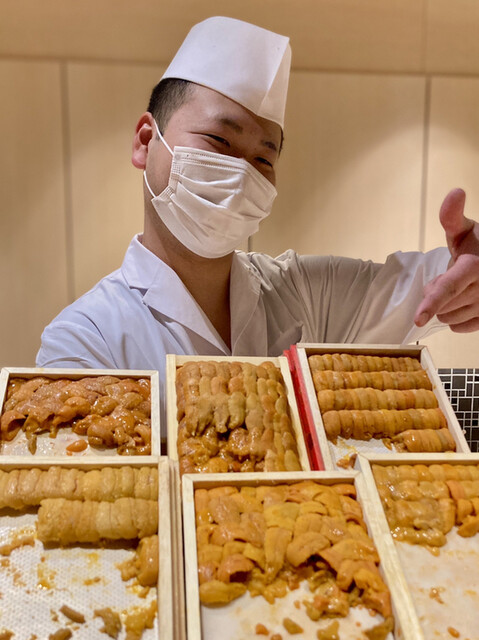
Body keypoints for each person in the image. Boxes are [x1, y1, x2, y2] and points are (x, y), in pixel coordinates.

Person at [36, 17, 479, 430]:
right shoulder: (85, 339)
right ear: (146, 141)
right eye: (218, 140)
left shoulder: (304, 294)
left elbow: (434, 281)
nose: (240, 175)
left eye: (263, 159)